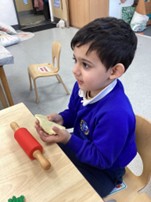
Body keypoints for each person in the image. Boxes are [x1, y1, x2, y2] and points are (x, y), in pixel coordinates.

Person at [35, 17, 137, 198]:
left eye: (85, 65)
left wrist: (67, 139)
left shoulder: (115, 114)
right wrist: (61, 119)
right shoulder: (83, 85)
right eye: (76, 60)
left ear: (114, 71)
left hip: (104, 171)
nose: (75, 70)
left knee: (63, 192)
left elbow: (102, 159)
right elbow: (74, 113)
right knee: (45, 157)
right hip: (84, 147)